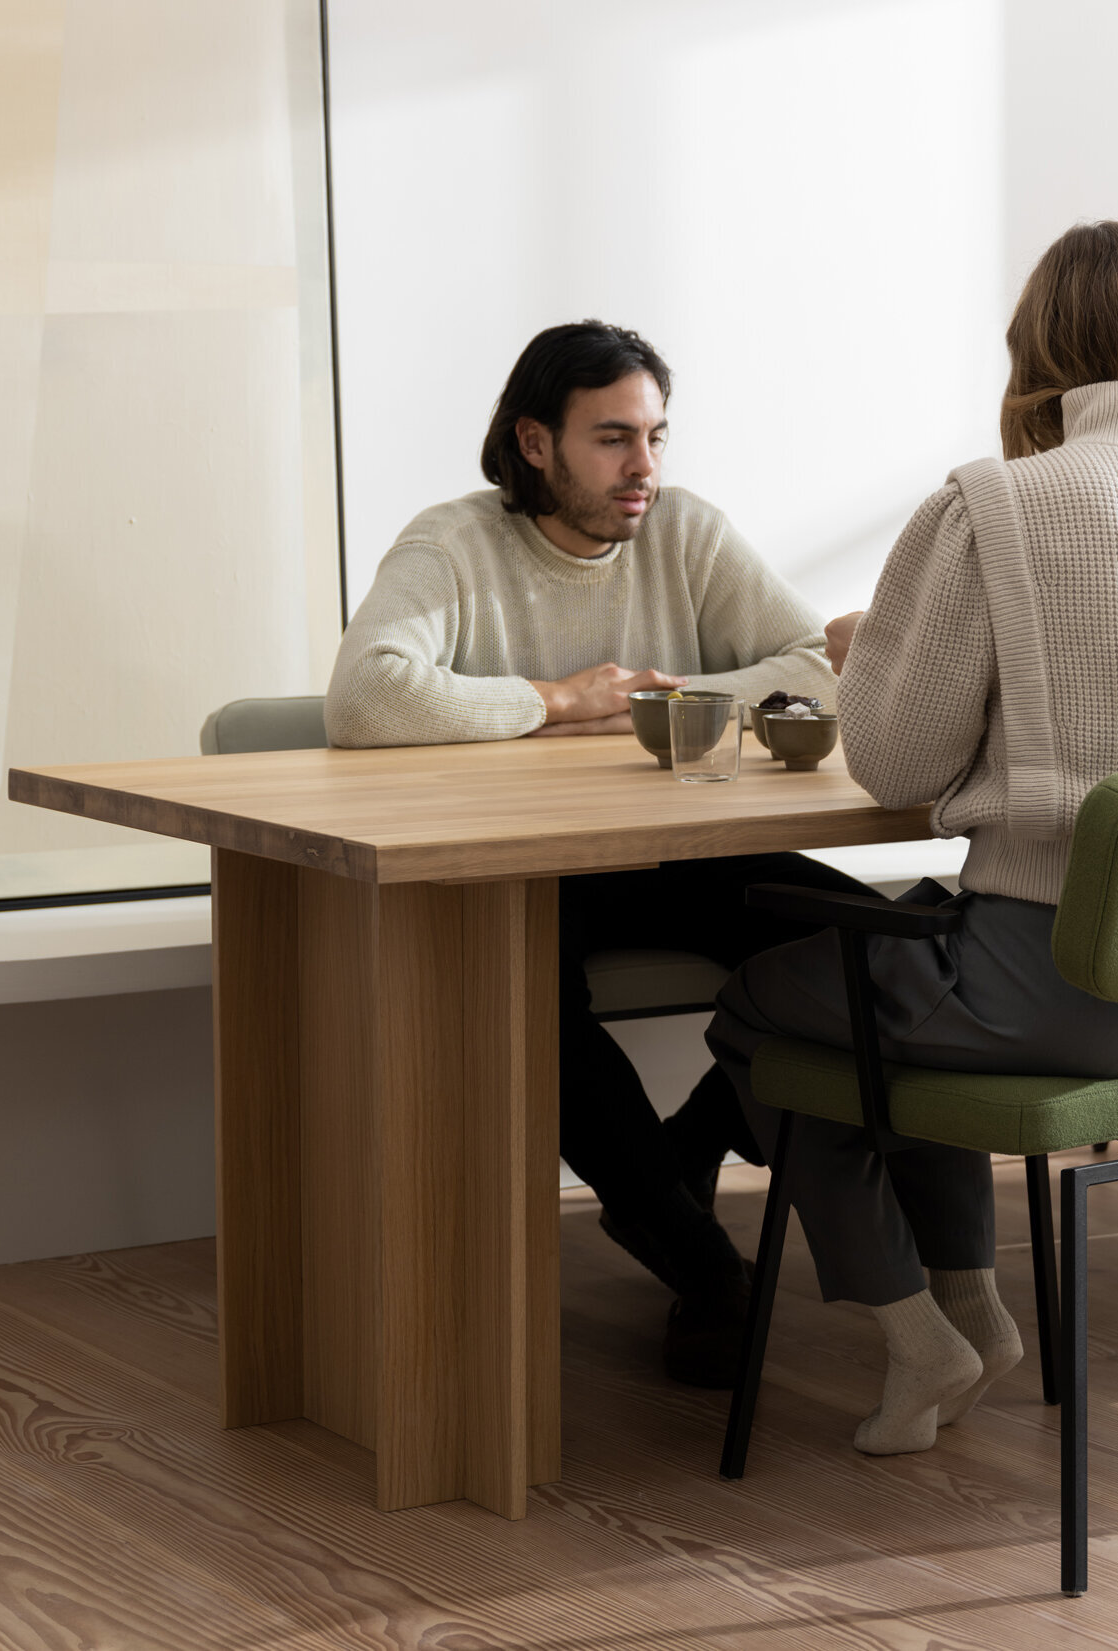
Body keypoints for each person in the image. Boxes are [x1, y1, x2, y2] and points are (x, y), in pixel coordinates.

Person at [706, 221, 1118, 1454]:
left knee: (765, 1011)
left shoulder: (994, 506)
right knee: (873, 1029)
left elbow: (895, 760)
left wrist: (862, 650)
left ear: (1033, 352)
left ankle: (927, 1326)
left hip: (1028, 991)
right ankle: (964, 1310)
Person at [325, 320, 873, 1385]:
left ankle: (681, 1152)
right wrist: (551, 700)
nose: (645, 469)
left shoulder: (686, 534)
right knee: (525, 1001)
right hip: (519, 872)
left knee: (866, 954)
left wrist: (687, 703)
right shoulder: (453, 545)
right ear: (536, 442)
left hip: (673, 855)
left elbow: (821, 664)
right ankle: (705, 1267)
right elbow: (366, 694)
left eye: (656, 437)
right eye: (613, 439)